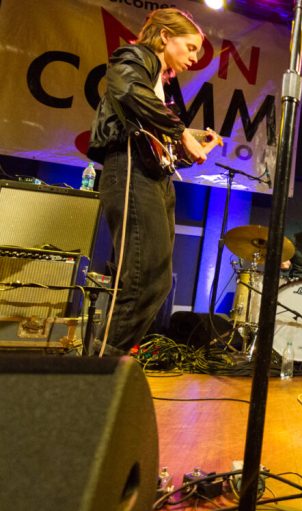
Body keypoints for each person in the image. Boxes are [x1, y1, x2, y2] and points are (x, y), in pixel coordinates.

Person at [87, 8, 207, 354]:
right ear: (166, 36)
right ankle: (98, 368)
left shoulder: (154, 81)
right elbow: (125, 90)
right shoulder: (133, 57)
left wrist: (186, 143)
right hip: (130, 171)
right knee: (144, 278)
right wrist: (181, 132)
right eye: (190, 47)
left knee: (155, 280)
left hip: (152, 175)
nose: (194, 57)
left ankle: (108, 361)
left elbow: (149, 134)